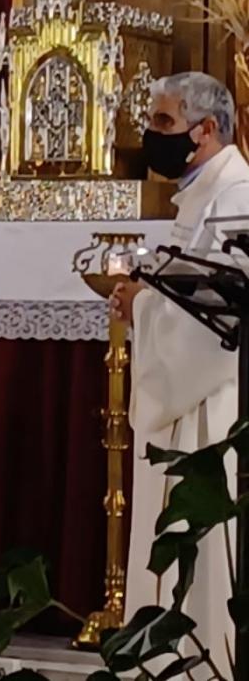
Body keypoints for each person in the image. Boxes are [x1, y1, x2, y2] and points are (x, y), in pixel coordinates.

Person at [111, 72, 249, 678]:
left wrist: (143, 304)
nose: (151, 135)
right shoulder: (202, 192)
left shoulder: (237, 192)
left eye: (164, 123)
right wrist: (144, 296)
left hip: (213, 403)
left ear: (207, 127)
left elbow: (223, 311)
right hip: (192, 399)